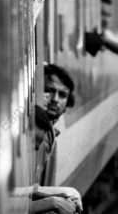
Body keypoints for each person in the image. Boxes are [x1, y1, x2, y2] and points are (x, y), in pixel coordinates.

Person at [30, 64, 83, 214]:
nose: (55, 99)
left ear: (68, 102)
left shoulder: (50, 131)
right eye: (48, 90)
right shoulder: (37, 131)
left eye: (62, 95)